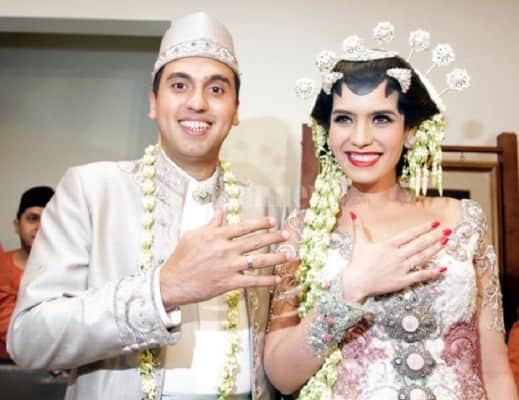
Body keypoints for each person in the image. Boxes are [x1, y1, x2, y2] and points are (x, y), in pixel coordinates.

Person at [7, 12, 292, 400]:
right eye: (179, 85)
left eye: (216, 89)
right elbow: (28, 339)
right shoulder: (92, 190)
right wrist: (163, 289)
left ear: (236, 109)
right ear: (154, 103)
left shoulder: (266, 204)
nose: (197, 102)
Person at [264, 24, 517, 399]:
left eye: (381, 118)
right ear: (327, 132)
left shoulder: (465, 221)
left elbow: (494, 369)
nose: (360, 138)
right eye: (344, 118)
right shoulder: (304, 231)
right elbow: (281, 375)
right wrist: (350, 290)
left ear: (410, 130)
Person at [0, 186, 54, 360]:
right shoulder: (1, 265)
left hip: (48, 365)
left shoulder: (65, 272)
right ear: (17, 225)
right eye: (32, 218)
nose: (40, 227)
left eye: (48, 220)